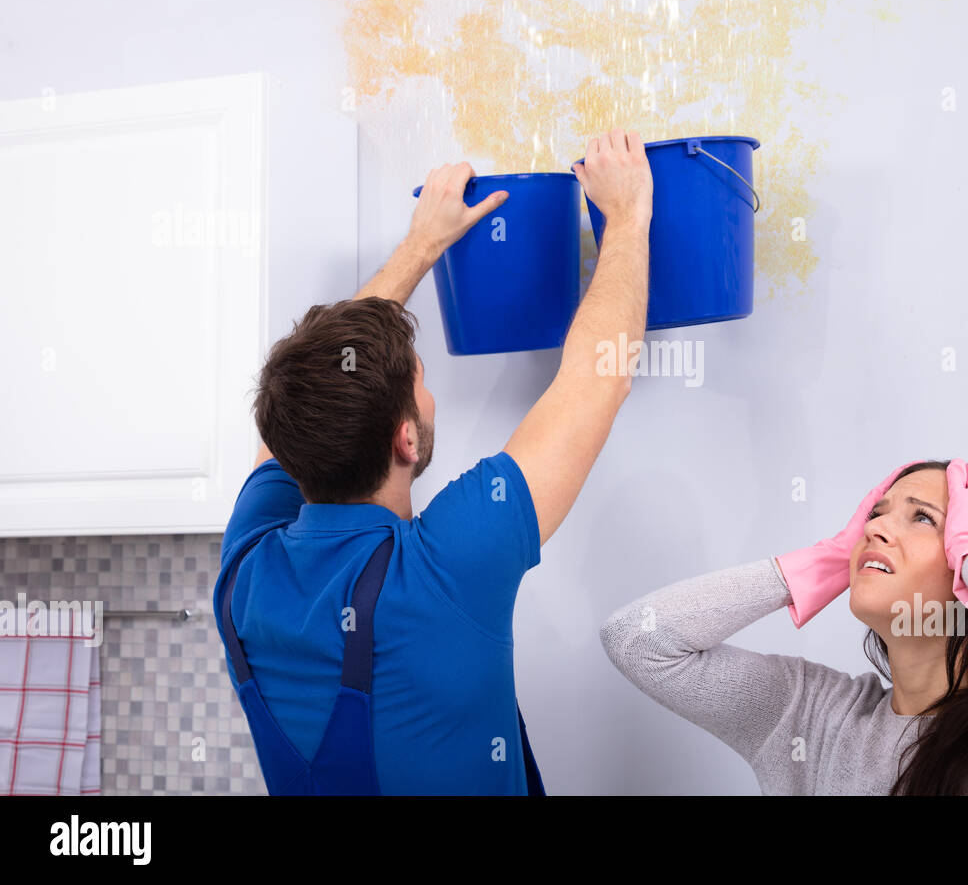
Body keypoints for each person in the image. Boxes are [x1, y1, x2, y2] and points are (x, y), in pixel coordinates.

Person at [214, 129, 653, 794]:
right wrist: (626, 218)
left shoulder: (245, 570)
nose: (432, 395)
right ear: (406, 441)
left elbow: (302, 393)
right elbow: (601, 377)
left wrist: (422, 245)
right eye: (422, 381)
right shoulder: (445, 566)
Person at [600, 459, 968, 794]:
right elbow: (640, 639)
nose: (876, 527)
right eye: (872, 517)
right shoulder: (810, 716)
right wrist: (825, 561)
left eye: (922, 517)